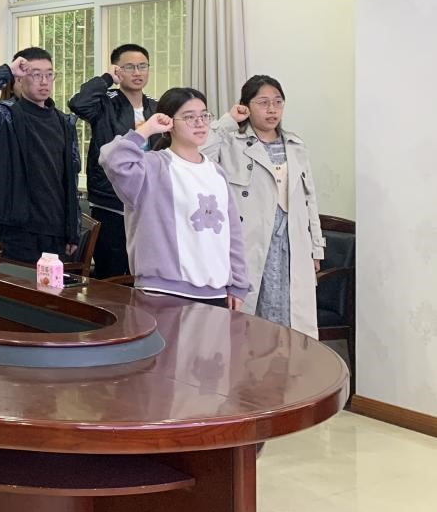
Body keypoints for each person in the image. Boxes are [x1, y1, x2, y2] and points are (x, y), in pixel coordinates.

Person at [99, 88, 249, 308]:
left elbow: (233, 233)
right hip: (163, 291)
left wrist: (238, 284)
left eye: (204, 115)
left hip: (216, 293)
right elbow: (112, 159)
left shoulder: (217, 172)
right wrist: (146, 129)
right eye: (189, 117)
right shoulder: (152, 166)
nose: (200, 123)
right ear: (169, 123)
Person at [201, 76, 324, 335]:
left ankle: (287, 361)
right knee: (249, 319)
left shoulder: (295, 145)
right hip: (251, 241)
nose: (272, 109)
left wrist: (316, 249)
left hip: (291, 241)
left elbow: (309, 199)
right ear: (246, 106)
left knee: (292, 317)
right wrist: (228, 121)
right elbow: (199, 153)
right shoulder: (231, 142)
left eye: (278, 102)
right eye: (263, 103)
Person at [0, 48, 79, 263]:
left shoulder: (64, 122)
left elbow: (70, 179)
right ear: (20, 78)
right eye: (36, 74)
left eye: (49, 74)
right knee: (20, 282)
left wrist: (73, 229)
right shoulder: (5, 116)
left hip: (56, 227)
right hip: (20, 226)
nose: (44, 81)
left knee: (52, 285)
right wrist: (7, 70)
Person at [68, 44, 159, 278]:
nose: (137, 72)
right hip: (110, 200)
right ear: (118, 70)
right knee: (112, 271)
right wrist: (107, 79)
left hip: (146, 199)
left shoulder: (156, 107)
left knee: (143, 270)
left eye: (142, 66)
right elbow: (78, 103)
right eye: (129, 67)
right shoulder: (105, 103)